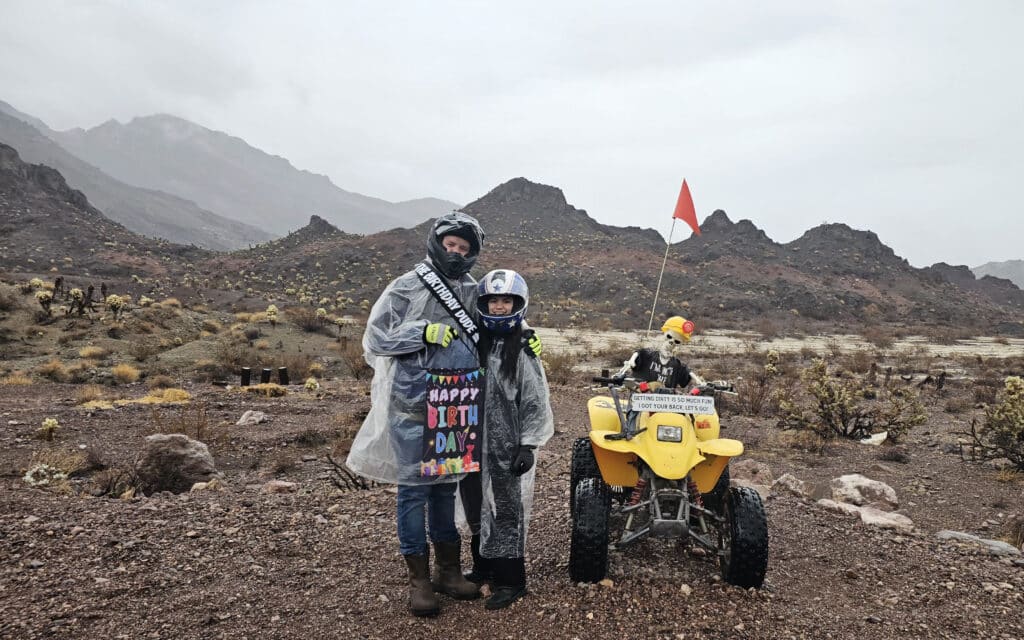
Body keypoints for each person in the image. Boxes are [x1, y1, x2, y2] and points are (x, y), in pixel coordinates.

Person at [346, 211, 486, 617]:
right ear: (437, 242)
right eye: (451, 245)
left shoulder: (473, 291)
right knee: (413, 491)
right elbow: (375, 338)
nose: (456, 253)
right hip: (412, 404)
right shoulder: (406, 286)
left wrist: (522, 339)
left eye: (464, 249)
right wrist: (420, 332)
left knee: (445, 487)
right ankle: (418, 580)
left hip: (456, 407)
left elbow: (494, 326)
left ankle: (448, 571)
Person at [459, 269, 554, 610]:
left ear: (518, 303)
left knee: (507, 509)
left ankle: (511, 579)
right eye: (493, 300)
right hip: (469, 440)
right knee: (474, 505)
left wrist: (529, 443)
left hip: (507, 446)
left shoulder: (523, 349)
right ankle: (483, 566)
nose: (499, 307)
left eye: (506, 301)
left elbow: (534, 399)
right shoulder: (472, 341)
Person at [618, 315, 705, 391]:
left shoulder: (677, 365)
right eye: (669, 337)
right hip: (640, 398)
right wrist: (631, 362)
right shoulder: (648, 355)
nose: (672, 342)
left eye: (677, 341)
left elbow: (687, 373)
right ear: (665, 333)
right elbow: (638, 353)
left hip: (663, 403)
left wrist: (699, 381)